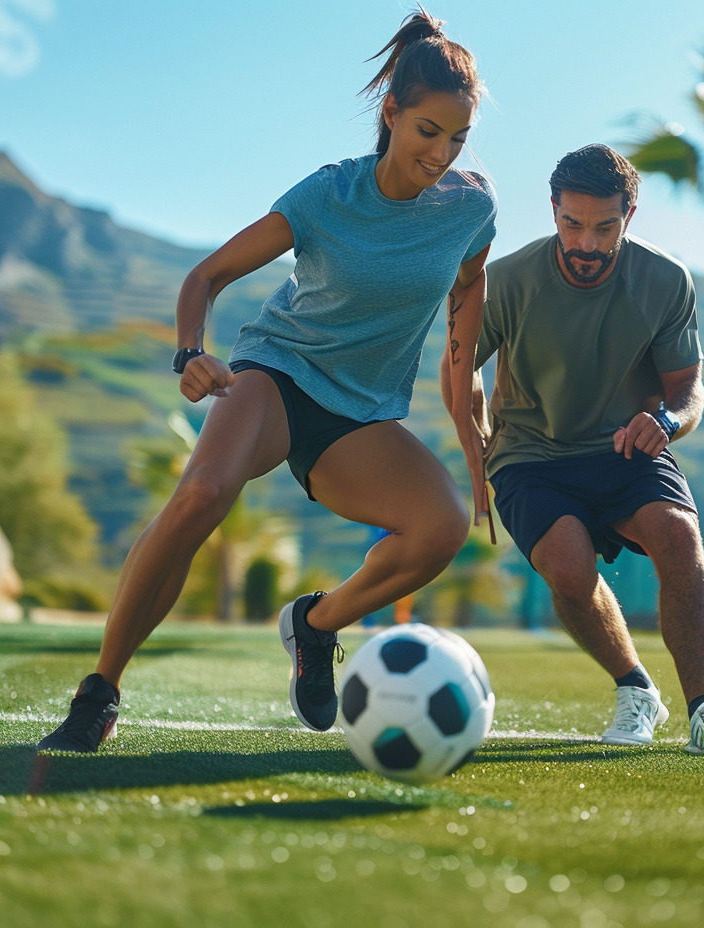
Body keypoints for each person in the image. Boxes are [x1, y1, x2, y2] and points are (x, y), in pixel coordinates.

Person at [39, 9, 496, 752]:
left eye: (458, 138)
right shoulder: (327, 195)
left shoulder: (471, 212)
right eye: (427, 132)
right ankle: (100, 692)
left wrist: (471, 431)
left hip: (360, 416)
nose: (442, 153)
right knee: (200, 496)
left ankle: (314, 627)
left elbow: (464, 311)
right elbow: (206, 274)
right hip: (277, 375)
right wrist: (191, 355)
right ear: (391, 113)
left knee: (440, 527)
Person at [445, 143, 704, 756]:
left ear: (629, 216)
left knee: (678, 536)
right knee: (566, 566)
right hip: (530, 453)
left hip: (625, 445)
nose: (586, 243)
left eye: (604, 227)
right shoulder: (502, 281)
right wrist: (473, 444)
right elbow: (459, 371)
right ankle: (635, 688)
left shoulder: (666, 281)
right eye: (572, 224)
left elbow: (687, 388)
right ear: (553, 209)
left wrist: (666, 420)